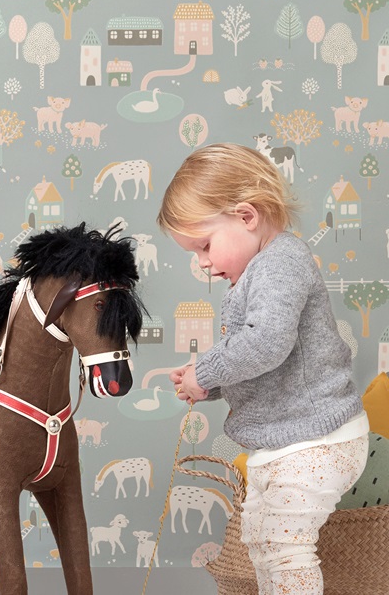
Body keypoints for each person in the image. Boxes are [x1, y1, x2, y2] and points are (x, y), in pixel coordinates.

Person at [157, 143, 369, 595]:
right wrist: (207, 385)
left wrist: (205, 372)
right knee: (262, 542)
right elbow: (261, 359)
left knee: (284, 546)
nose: (202, 262)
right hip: (287, 442)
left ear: (247, 216)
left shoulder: (280, 262)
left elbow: (266, 343)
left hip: (315, 439)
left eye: (205, 245)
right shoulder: (259, 269)